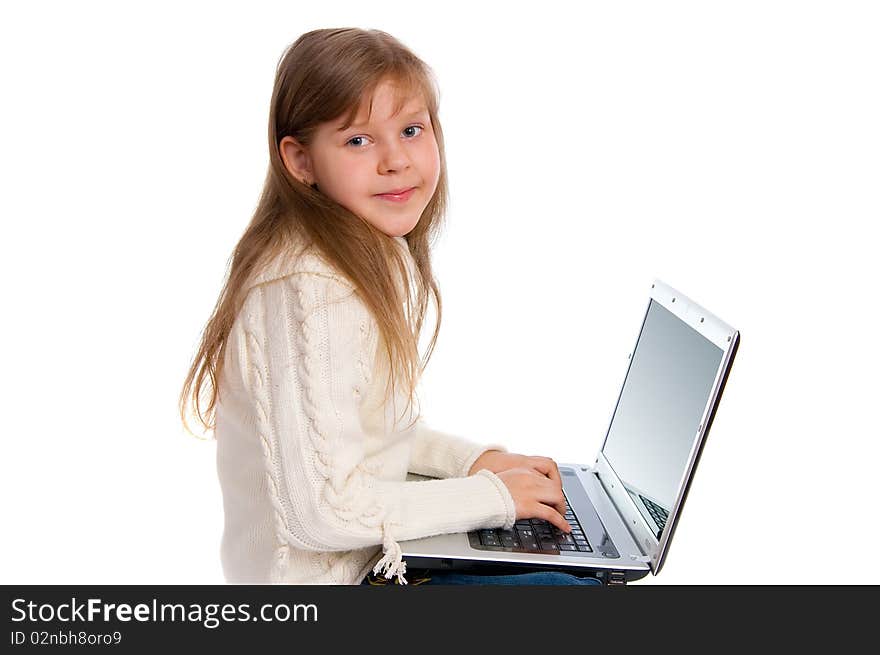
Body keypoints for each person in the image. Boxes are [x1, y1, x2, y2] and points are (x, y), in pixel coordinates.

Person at [179, 27, 600, 586]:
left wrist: (473, 464)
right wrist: (495, 499)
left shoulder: (361, 252)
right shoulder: (311, 289)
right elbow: (324, 512)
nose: (395, 160)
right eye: (358, 141)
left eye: (411, 130)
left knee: (571, 570)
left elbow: (374, 438)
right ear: (301, 160)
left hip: (373, 562)